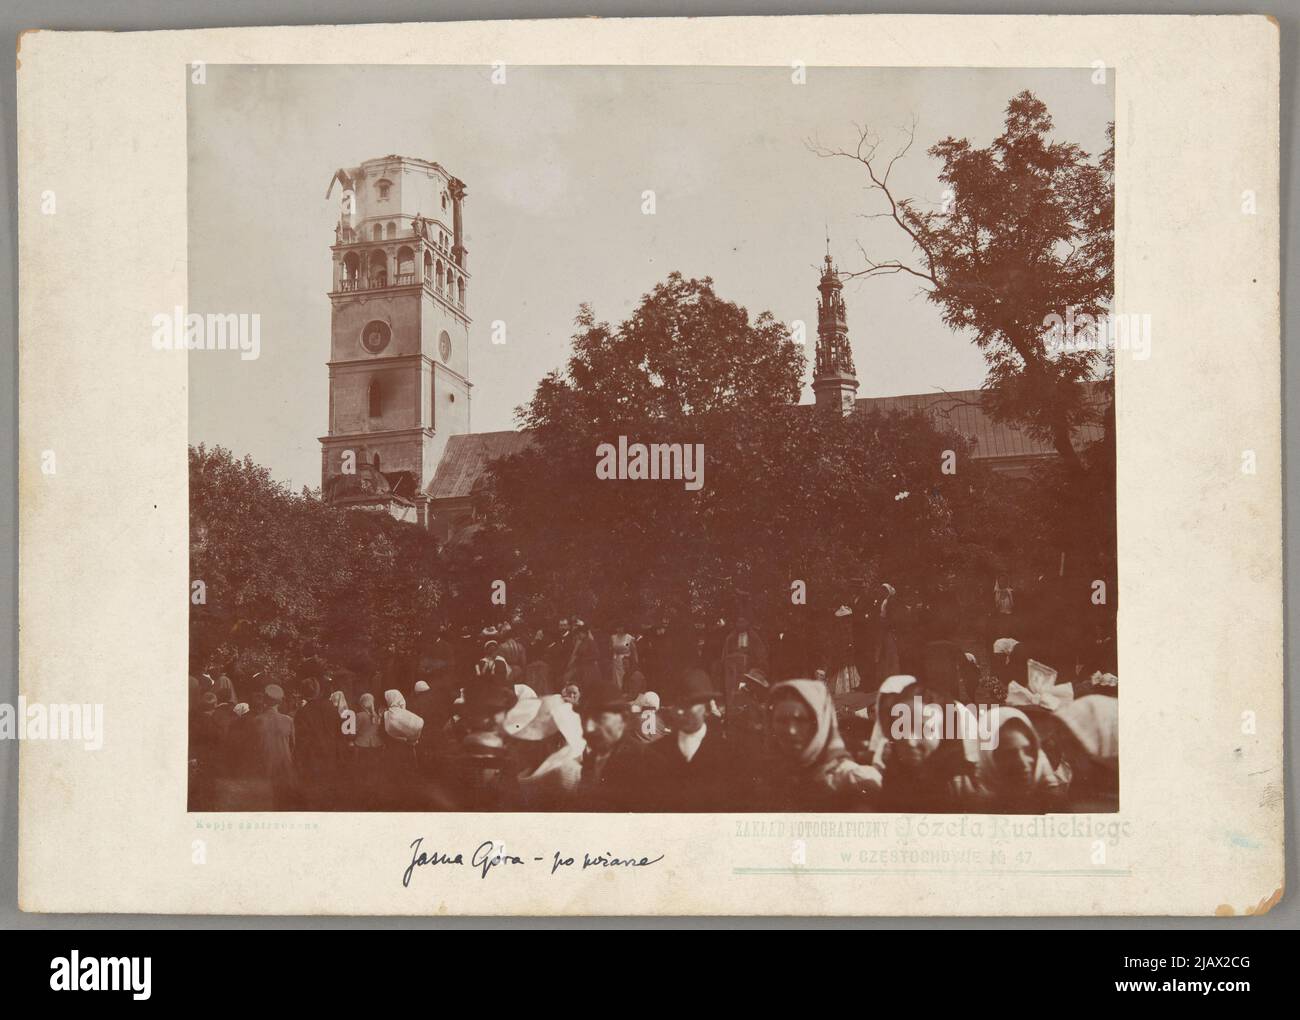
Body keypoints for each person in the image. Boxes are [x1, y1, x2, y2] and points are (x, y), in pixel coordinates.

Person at [753, 680, 882, 810]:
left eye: (801, 720)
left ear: (820, 724)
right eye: (781, 721)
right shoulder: (764, 777)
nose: (791, 730)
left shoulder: (854, 781)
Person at [645, 668, 738, 811]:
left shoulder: (728, 753)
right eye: (678, 705)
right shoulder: (655, 753)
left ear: (707, 708)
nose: (681, 711)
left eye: (689, 705)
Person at [974, 706, 1064, 812]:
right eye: (1009, 754)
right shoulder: (977, 809)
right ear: (988, 758)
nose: (1023, 762)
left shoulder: (1054, 805)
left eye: (1028, 750)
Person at [578, 683, 647, 810]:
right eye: (584, 719)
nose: (589, 728)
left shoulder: (643, 761)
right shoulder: (591, 758)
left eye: (599, 718)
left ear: (624, 719)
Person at [248, 683, 296, 809]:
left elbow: (253, 748)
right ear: (280, 701)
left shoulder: (256, 721)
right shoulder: (289, 720)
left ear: (265, 700)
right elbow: (293, 746)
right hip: (284, 767)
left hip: (264, 766)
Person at [608, 624, 639, 692]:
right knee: (616, 678)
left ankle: (625, 690)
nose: (619, 629)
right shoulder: (613, 637)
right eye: (618, 627)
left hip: (625, 659)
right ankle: (617, 690)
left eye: (621, 627)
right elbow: (610, 648)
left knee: (624, 676)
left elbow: (630, 647)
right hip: (616, 659)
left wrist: (636, 661)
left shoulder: (628, 638)